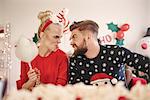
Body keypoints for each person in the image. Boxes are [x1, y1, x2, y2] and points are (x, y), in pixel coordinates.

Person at [68, 20, 150, 87]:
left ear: (88, 36)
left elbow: (145, 64)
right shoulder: (75, 60)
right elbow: (74, 89)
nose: (71, 42)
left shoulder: (116, 52)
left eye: (74, 36)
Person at [17, 10, 68, 90]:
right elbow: (22, 90)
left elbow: (60, 90)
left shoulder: (62, 57)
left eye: (60, 37)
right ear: (42, 35)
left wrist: (39, 85)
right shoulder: (28, 55)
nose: (59, 41)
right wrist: (31, 81)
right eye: (56, 37)